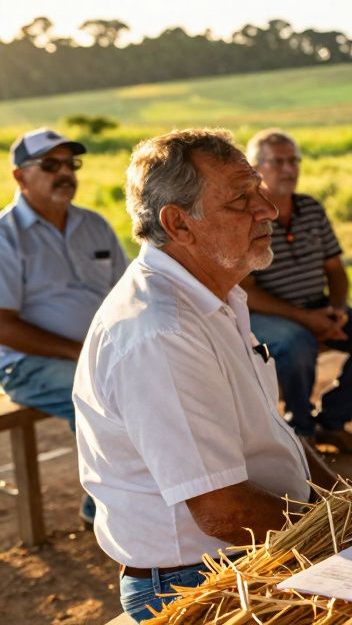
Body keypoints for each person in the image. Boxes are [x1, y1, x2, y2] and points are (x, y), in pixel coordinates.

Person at [73, 129, 337, 622]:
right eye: (241, 198)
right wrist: (346, 531)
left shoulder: (213, 296)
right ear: (179, 224)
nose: (268, 209)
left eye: (258, 189)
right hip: (199, 578)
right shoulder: (161, 332)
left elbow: (272, 432)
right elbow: (224, 512)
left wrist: (343, 502)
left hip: (247, 552)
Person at [1, 128, 126, 526]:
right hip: (27, 365)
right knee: (100, 393)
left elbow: (128, 293)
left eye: (70, 164)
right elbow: (3, 326)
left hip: (100, 353)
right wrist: (80, 353)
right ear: (20, 176)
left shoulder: (94, 224)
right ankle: (104, 510)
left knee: (156, 377)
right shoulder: (5, 236)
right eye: (50, 165)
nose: (65, 173)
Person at [242, 129, 352, 454]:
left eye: (293, 160)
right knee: (298, 342)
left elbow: (336, 270)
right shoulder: (247, 218)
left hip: (318, 306)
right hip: (265, 316)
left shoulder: (310, 207)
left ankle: (332, 424)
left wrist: (337, 310)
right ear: (255, 169)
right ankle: (301, 434)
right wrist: (306, 319)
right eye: (278, 162)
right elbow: (248, 293)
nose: (289, 169)